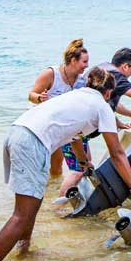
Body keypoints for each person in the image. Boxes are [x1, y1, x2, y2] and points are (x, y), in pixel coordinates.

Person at [0, 68, 131, 261]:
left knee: (32, 205)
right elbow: (116, 153)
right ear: (108, 93)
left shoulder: (76, 95)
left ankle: (24, 250)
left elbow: (76, 135)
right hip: (33, 142)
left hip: (17, 131)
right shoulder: (103, 106)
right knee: (21, 215)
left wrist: (83, 161)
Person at [27, 38, 90, 191]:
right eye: (84, 62)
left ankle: (55, 192)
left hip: (63, 127)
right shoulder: (51, 74)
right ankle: (43, 191)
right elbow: (31, 94)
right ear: (73, 60)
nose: (87, 65)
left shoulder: (82, 81)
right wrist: (39, 98)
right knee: (46, 167)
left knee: (64, 166)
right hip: (43, 125)